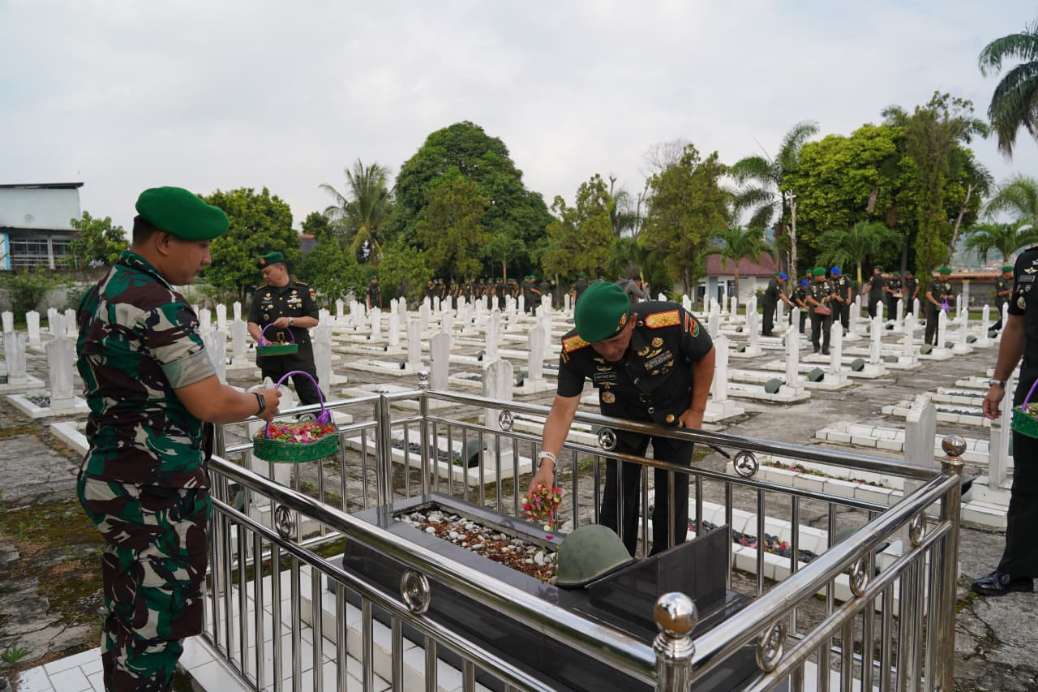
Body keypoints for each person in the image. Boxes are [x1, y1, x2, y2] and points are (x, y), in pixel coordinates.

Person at [76, 187, 282, 690]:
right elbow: (208, 401)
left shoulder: (103, 292)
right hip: (156, 492)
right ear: (165, 242)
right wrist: (260, 401)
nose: (207, 257)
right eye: (202, 246)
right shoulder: (158, 303)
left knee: (128, 607)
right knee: (159, 622)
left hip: (113, 477)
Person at [527, 281, 715, 556]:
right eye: (598, 345)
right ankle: (615, 560)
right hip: (623, 417)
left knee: (672, 490)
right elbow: (562, 409)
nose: (608, 351)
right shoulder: (575, 348)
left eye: (615, 341)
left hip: (674, 412)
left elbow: (705, 352)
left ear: (632, 322)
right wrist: (546, 465)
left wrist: (697, 410)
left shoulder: (669, 320)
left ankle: (665, 560)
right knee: (618, 491)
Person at [975, 246, 1038, 596]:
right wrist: (998, 382)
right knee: (1028, 481)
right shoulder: (1029, 263)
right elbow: (1015, 324)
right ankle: (1016, 570)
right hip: (1034, 391)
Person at [247, 252, 323, 405]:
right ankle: (277, 422)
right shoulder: (260, 294)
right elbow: (252, 323)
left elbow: (313, 319)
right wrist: (262, 339)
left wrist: (290, 321)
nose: (265, 277)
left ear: (281, 268)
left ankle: (323, 419)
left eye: (268, 272)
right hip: (271, 357)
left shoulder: (303, 291)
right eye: (263, 274)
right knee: (273, 401)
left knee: (311, 396)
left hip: (299, 355)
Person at [924, 266, 955, 347]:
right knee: (931, 325)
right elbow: (928, 295)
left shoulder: (948, 284)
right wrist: (936, 303)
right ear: (942, 275)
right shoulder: (933, 283)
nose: (948, 277)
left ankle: (938, 343)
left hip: (943, 307)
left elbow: (951, 295)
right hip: (932, 307)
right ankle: (927, 343)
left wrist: (947, 297)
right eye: (947, 275)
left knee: (940, 326)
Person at [806, 267, 834, 354]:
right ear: (817, 276)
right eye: (822, 276)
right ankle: (816, 347)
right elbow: (808, 298)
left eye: (824, 275)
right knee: (815, 330)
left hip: (827, 310)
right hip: (815, 311)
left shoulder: (829, 283)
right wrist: (818, 304)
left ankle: (825, 348)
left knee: (827, 330)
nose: (824, 277)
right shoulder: (810, 285)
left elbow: (833, 294)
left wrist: (829, 297)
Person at [761, 271, 788, 337]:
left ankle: (765, 331)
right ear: (779, 278)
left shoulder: (777, 283)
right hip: (768, 302)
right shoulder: (773, 283)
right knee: (768, 317)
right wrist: (788, 302)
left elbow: (781, 292)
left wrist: (786, 299)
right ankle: (767, 332)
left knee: (768, 317)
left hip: (771, 302)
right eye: (783, 280)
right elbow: (780, 294)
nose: (783, 282)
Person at [831, 266, 853, 335]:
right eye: (833, 274)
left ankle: (845, 329)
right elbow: (829, 291)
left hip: (844, 300)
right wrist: (836, 297)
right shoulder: (830, 281)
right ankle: (835, 330)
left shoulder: (844, 278)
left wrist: (849, 298)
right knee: (835, 316)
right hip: (834, 301)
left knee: (845, 316)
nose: (835, 276)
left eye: (836, 274)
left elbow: (849, 288)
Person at [993, 264, 1013, 332]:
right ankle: (992, 329)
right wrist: (1010, 291)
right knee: (1006, 317)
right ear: (1006, 273)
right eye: (1010, 272)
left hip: (1006, 301)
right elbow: (1000, 293)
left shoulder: (1005, 280)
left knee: (1008, 316)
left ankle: (994, 329)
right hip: (1001, 301)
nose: (1011, 273)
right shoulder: (1000, 281)